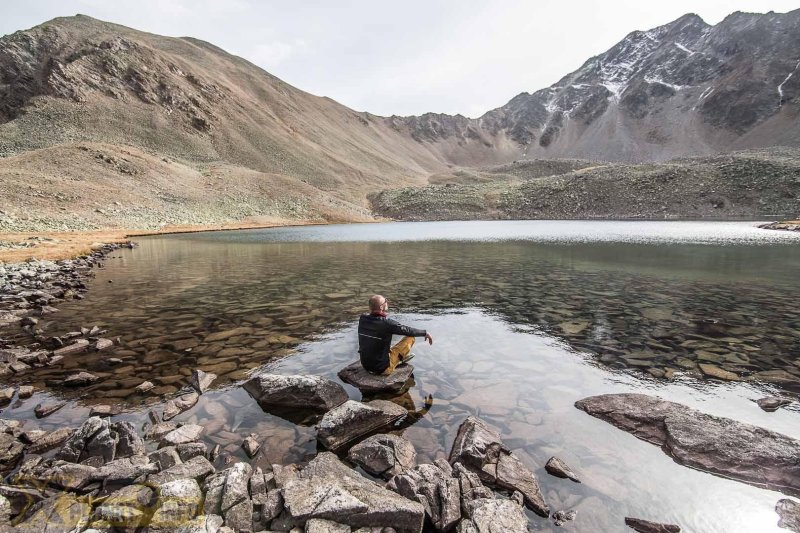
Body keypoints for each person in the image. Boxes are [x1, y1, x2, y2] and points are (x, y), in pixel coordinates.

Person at [358, 294, 433, 375]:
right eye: (385, 301)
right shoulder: (387, 323)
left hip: (366, 366)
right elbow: (408, 330)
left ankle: (395, 357)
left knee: (380, 342)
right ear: (381, 307)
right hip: (382, 369)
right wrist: (425, 333)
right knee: (410, 337)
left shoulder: (362, 319)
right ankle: (399, 359)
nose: (387, 302)